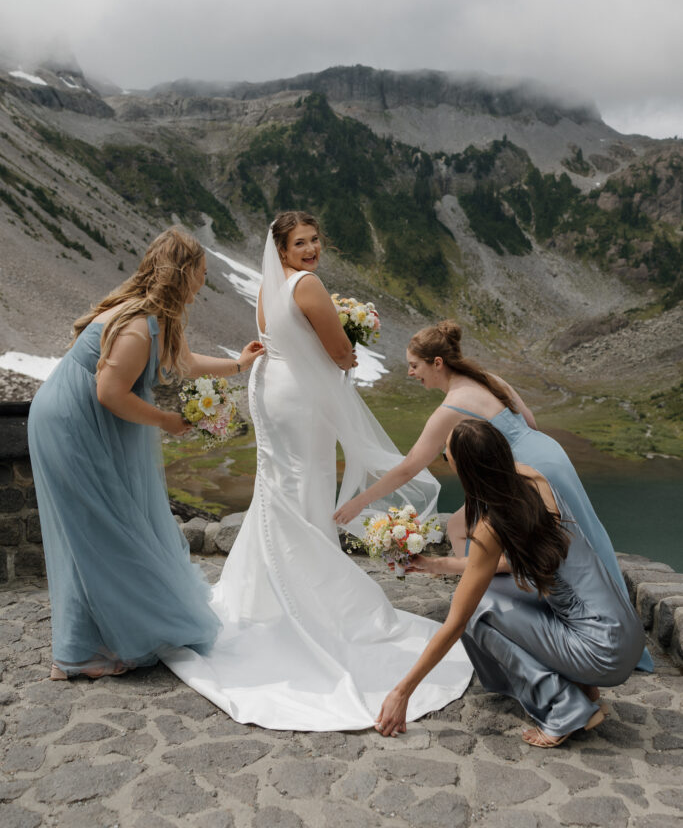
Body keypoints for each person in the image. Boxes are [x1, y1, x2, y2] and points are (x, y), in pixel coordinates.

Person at [162, 212, 472, 730]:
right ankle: (307, 596)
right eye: (300, 243)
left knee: (278, 486)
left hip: (270, 386)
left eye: (314, 240)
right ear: (282, 250)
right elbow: (338, 351)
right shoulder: (308, 285)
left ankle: (266, 592)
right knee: (307, 486)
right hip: (300, 397)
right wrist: (351, 350)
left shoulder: (269, 284)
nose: (310, 250)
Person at [333, 319, 653, 672]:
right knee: (475, 526)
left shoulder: (451, 408)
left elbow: (410, 467)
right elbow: (529, 421)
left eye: (414, 365)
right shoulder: (490, 379)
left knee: (557, 541)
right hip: (548, 455)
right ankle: (492, 593)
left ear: (437, 363)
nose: (410, 373)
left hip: (525, 468)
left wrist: (359, 502)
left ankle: (507, 601)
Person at [28, 227, 264, 680]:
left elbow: (184, 362)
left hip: (82, 422)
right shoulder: (138, 326)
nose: (204, 281)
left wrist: (239, 364)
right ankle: (78, 653)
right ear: (184, 272)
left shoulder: (158, 319)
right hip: (70, 425)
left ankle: (96, 638)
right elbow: (110, 393)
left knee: (105, 528)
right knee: (100, 529)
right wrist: (167, 421)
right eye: (202, 272)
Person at [374, 419, 645, 746]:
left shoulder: (492, 525)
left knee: (477, 613)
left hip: (601, 650)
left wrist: (402, 692)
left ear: (467, 470)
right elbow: (515, 565)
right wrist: (436, 564)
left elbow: (456, 623)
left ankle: (563, 706)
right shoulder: (533, 478)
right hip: (626, 632)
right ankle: (582, 687)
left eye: (449, 458)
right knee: (493, 591)